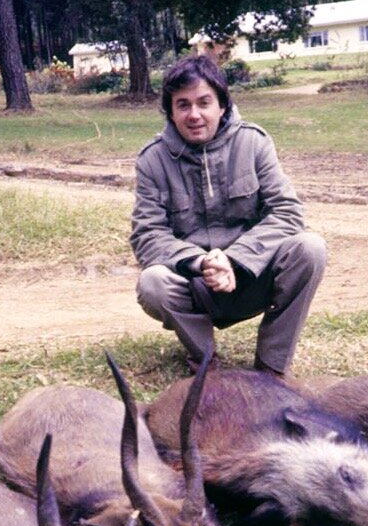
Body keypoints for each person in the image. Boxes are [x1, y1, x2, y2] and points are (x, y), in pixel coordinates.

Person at [130, 54, 326, 376]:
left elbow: (287, 212)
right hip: (196, 286)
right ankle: (206, 361)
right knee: (153, 283)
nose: (194, 114)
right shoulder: (152, 160)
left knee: (310, 248)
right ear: (171, 112)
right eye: (183, 104)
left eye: (204, 102)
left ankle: (272, 368)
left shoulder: (254, 142)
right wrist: (201, 263)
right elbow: (147, 235)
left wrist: (234, 260)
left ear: (222, 105)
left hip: (251, 277)